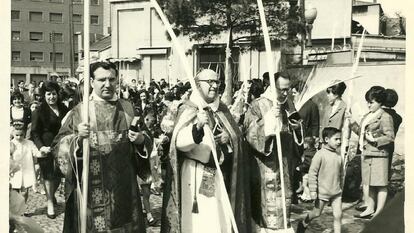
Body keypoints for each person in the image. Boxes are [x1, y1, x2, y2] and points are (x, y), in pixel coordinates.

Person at [52, 61, 150, 233]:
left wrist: (141, 141)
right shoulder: (80, 112)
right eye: (101, 79)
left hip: (124, 188)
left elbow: (145, 139)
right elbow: (58, 147)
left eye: (112, 79)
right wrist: (76, 139)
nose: (107, 84)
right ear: (91, 82)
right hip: (91, 188)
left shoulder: (127, 109)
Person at [161, 69, 251, 233]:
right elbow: (179, 143)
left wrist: (229, 138)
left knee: (219, 219)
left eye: (217, 82)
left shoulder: (222, 109)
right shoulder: (188, 109)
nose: (214, 86)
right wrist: (197, 128)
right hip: (196, 174)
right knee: (200, 223)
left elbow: (236, 136)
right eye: (209, 82)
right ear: (197, 85)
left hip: (220, 175)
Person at [244, 71, 303, 231]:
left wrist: (297, 129)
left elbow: (295, 131)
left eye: (287, 89)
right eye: (281, 89)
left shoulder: (289, 104)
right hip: (266, 165)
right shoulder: (258, 104)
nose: (285, 93)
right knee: (268, 209)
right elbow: (250, 133)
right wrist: (270, 119)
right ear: (271, 86)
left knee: (284, 207)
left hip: (285, 163)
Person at [351, 86, 394, 219]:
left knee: (380, 185)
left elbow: (390, 137)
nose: (369, 104)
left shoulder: (385, 117)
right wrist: (352, 124)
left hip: (379, 155)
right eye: (368, 102)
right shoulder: (368, 116)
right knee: (369, 183)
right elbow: (362, 134)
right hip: (367, 154)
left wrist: (374, 140)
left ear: (380, 102)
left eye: (372, 102)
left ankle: (379, 212)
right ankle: (370, 208)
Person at [31, 80, 69, 219]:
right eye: (48, 94)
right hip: (46, 148)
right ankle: (50, 203)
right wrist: (41, 147)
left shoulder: (64, 109)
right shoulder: (39, 111)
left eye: (54, 94)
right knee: (48, 175)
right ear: (44, 95)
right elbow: (34, 132)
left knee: (58, 175)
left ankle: (51, 195)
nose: (51, 97)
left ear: (57, 94)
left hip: (62, 147)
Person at [297, 127, 343, 233]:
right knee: (316, 213)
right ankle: (304, 222)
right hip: (322, 192)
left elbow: (341, 174)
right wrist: (313, 190)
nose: (339, 142)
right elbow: (312, 173)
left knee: (338, 215)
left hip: (336, 192)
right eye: (336, 139)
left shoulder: (338, 156)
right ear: (326, 139)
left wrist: (341, 187)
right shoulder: (320, 155)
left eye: (340, 139)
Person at [9, 123, 43, 209]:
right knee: (14, 191)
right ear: (13, 133)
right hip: (15, 171)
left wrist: (42, 153)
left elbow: (36, 152)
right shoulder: (11, 144)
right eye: (17, 135)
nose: (19, 137)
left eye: (21, 135)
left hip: (27, 170)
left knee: (24, 192)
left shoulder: (29, 143)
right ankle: (14, 209)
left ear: (24, 133)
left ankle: (22, 208)